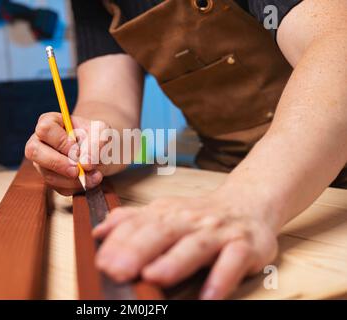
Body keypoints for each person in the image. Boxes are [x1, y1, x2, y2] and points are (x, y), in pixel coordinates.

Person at [25, 0, 347, 299]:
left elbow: (338, 46)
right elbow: (110, 103)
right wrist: (89, 141)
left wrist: (244, 202)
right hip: (223, 175)